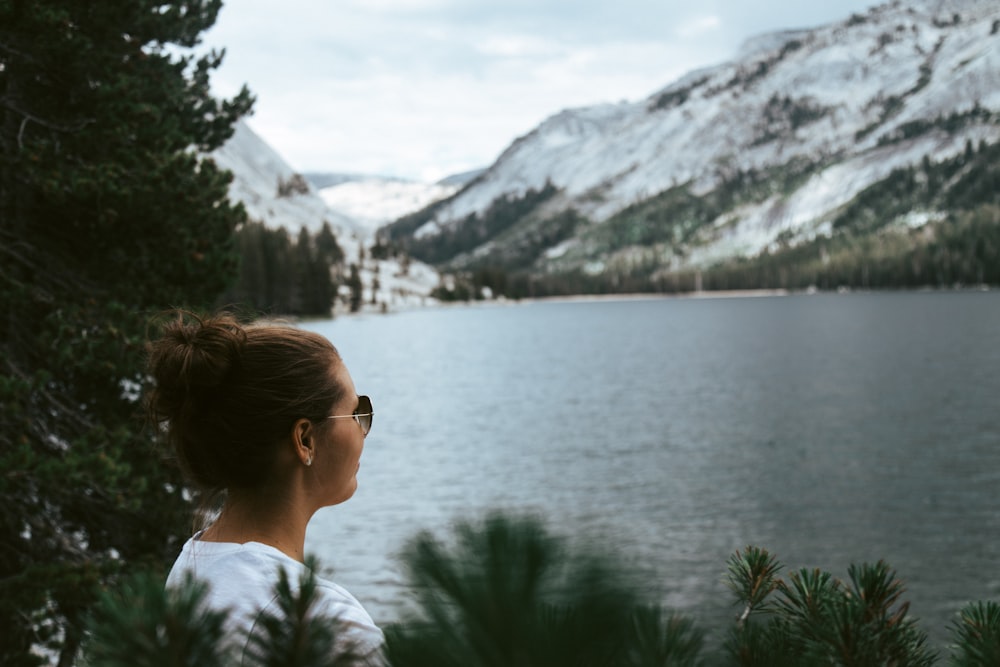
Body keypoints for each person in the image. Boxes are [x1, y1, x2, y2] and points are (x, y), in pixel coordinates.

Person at [146, 311, 384, 665]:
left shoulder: (192, 567)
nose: (363, 427)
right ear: (305, 439)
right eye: (356, 411)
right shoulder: (326, 626)